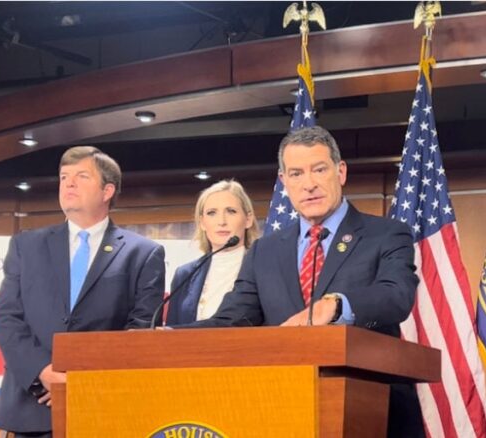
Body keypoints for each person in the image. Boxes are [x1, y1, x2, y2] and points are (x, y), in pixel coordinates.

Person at [178, 126, 423, 437]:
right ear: (284, 181)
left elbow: (396, 295)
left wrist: (335, 306)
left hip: (373, 412)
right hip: (283, 409)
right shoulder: (264, 250)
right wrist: (170, 335)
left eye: (319, 169)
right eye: (296, 174)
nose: (309, 184)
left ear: (340, 172)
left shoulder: (387, 234)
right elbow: (233, 318)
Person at [0, 146, 165, 437]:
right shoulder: (26, 245)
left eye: (82, 176)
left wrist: (83, 381)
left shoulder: (143, 253)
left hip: (104, 406)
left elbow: (140, 330)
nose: (69, 183)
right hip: (34, 404)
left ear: (107, 191)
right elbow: (7, 317)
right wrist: (43, 372)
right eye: (64, 177)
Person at [165, 179, 259, 325]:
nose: (221, 221)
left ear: (248, 219)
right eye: (212, 213)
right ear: (202, 222)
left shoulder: (261, 270)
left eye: (231, 211)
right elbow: (171, 331)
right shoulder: (185, 274)